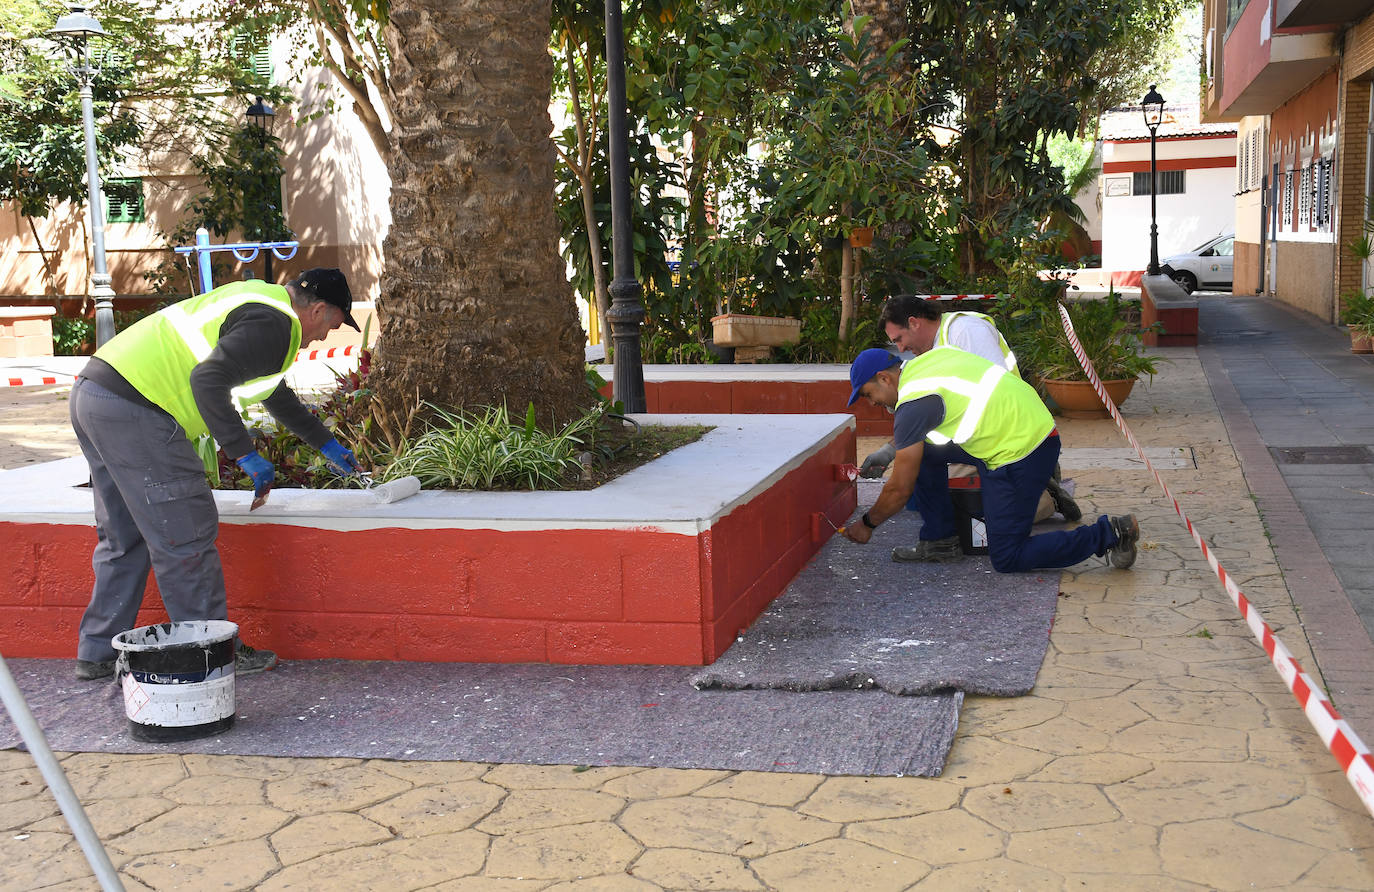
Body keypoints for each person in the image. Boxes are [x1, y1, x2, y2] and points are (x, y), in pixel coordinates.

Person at [68, 268, 366, 681]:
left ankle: (97, 653)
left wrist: (325, 443)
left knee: (124, 535)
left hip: (96, 393)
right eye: (333, 325)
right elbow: (207, 380)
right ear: (317, 308)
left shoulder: (259, 302)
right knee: (186, 535)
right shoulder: (274, 323)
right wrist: (245, 454)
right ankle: (209, 652)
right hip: (141, 409)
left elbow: (271, 390)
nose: (326, 337)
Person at [842, 347, 1139, 572]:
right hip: (1027, 427)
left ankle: (1109, 534)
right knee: (926, 454)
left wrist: (868, 523)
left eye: (869, 394)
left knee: (1008, 555)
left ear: (884, 378)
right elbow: (924, 429)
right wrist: (890, 451)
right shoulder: (930, 360)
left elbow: (899, 489)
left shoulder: (912, 403)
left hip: (1021, 452)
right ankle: (940, 540)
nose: (875, 404)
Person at [860, 297, 1081, 546]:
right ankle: (942, 539)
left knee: (978, 517)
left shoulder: (966, 331)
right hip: (985, 435)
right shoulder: (934, 347)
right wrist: (892, 450)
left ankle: (1044, 495)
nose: (900, 350)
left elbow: (995, 395)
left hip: (1008, 438)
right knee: (919, 496)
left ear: (914, 323)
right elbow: (927, 420)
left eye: (899, 339)